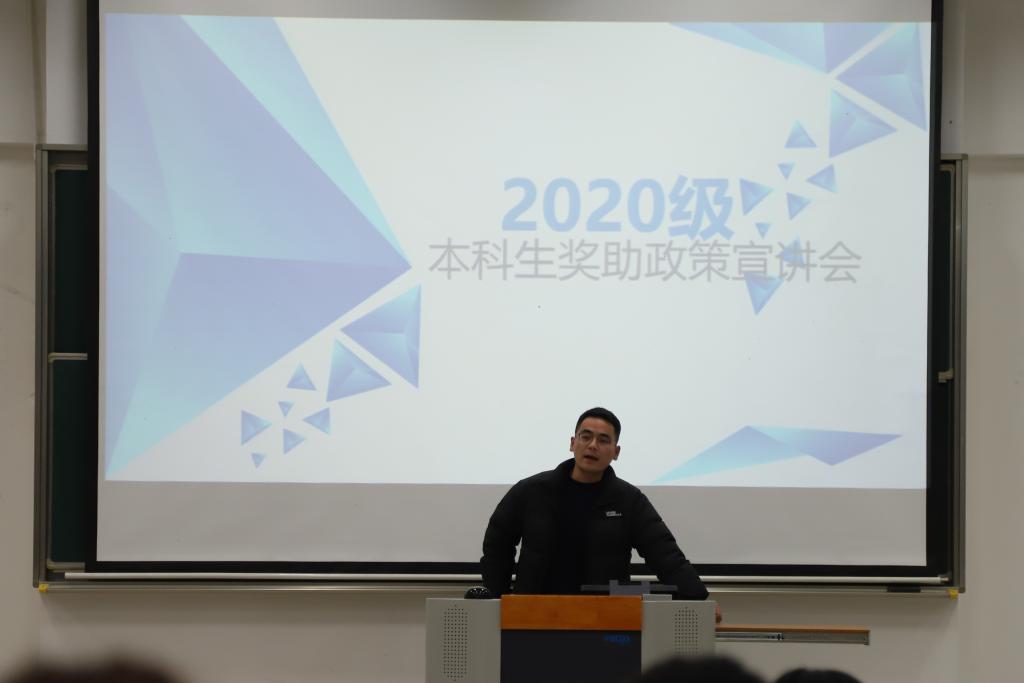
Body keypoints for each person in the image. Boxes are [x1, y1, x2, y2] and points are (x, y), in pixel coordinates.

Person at [480, 407, 708, 600]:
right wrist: (496, 598)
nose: (592, 445)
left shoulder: (629, 500)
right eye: (585, 437)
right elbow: (497, 544)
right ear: (573, 443)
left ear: (616, 452)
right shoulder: (532, 491)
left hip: (604, 616)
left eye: (603, 440)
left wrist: (699, 599)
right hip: (533, 612)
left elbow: (665, 555)